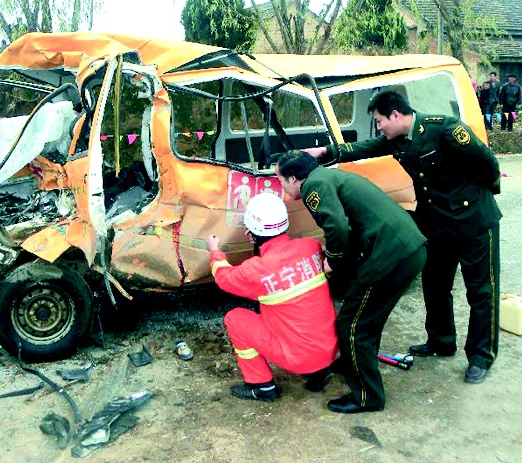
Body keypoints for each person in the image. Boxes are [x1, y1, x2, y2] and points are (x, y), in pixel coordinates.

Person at [304, 90, 502, 385]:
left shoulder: (444, 129)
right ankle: (441, 341)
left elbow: (487, 164)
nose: (379, 127)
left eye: (380, 120)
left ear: (396, 115)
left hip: (474, 221)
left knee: (481, 292)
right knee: (435, 286)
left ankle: (481, 356)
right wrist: (326, 153)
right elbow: (365, 148)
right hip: (436, 224)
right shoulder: (397, 140)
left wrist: (479, 197)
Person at [275, 150, 427, 413]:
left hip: (391, 256)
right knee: (366, 317)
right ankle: (351, 362)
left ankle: (367, 397)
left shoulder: (314, 186)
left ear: (293, 178)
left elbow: (337, 227)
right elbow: (352, 223)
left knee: (352, 324)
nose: (282, 186)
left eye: (280, 180)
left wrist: (332, 260)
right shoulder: (328, 177)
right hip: (406, 250)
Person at [206, 192, 338, 403]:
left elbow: (223, 277)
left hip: (297, 359)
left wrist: (214, 251)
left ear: (250, 234)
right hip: (329, 350)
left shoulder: (256, 270)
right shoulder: (311, 247)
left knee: (235, 319)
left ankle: (261, 386)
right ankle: (318, 372)